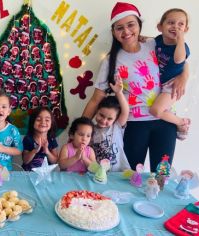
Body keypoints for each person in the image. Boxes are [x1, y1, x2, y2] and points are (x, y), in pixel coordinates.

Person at [82, 2, 189, 172]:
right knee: (128, 176)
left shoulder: (154, 45)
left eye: (131, 25)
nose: (126, 32)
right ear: (113, 32)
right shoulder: (111, 61)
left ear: (139, 25)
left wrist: (184, 76)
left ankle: (157, 199)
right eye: (119, 28)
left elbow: (181, 59)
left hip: (165, 121)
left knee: (162, 175)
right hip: (133, 125)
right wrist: (81, 129)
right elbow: (96, 99)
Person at [149, 8, 191, 140]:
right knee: (162, 109)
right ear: (160, 27)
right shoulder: (159, 40)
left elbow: (179, 59)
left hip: (171, 85)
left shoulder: (183, 47)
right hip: (158, 84)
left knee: (156, 111)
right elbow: (150, 42)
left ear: (186, 29)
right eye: (171, 23)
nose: (176, 27)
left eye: (181, 24)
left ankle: (182, 123)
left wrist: (181, 39)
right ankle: (174, 117)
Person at [91, 79, 131, 171]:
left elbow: (126, 111)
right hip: (98, 172)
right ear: (97, 111)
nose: (104, 120)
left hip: (118, 171)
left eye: (109, 119)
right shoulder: (90, 130)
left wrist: (119, 93)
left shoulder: (116, 126)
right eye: (101, 115)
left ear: (116, 119)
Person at [22, 107, 59, 171]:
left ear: (51, 123)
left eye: (47, 120)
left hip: (45, 176)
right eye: (38, 119)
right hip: (29, 175)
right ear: (32, 122)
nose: (43, 122)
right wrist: (35, 150)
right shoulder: (28, 139)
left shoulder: (52, 139)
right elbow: (25, 161)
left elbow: (55, 161)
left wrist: (47, 151)